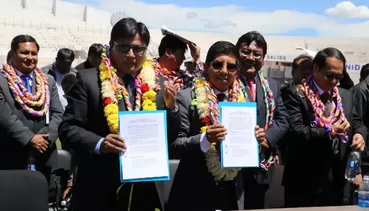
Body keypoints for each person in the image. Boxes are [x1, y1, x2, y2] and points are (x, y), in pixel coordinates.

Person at [58, 17, 179, 211]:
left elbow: (172, 136)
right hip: (99, 189)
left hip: (143, 190)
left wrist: (172, 109)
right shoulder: (89, 80)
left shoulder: (160, 84)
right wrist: (100, 143)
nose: (131, 54)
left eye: (138, 48)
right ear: (111, 45)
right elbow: (67, 128)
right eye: (123, 47)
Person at [168, 41, 246, 210]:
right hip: (195, 192)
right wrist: (205, 139)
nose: (224, 71)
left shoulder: (243, 101)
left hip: (232, 194)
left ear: (237, 71)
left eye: (231, 67)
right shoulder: (186, 97)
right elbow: (176, 145)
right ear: (206, 66)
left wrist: (255, 138)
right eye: (218, 65)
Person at [282, 47, 365, 207]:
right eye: (330, 75)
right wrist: (329, 130)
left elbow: (356, 122)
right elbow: (295, 131)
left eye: (338, 76)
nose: (334, 81)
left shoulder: (344, 95)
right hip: (304, 179)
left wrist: (359, 134)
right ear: (315, 69)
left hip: (335, 179)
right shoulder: (296, 94)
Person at [235, 31, 289, 209]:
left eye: (256, 54)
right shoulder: (225, 80)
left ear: (263, 58)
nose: (250, 58)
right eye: (245, 52)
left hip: (261, 164)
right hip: (231, 165)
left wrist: (267, 138)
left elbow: (282, 119)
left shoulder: (272, 85)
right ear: (236, 53)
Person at [0, 35, 63, 181]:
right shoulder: (2, 81)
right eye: (24, 53)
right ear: (13, 54)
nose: (30, 57)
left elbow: (58, 113)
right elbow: (5, 116)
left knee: (43, 200)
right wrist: (30, 139)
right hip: (11, 156)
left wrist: (47, 138)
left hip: (44, 154)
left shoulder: (48, 81)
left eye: (34, 53)